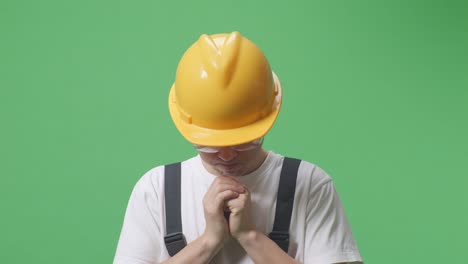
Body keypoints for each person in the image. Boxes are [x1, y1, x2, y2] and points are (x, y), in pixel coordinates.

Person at [114, 32, 363, 264]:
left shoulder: (309, 185)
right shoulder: (156, 190)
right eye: (210, 144)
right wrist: (208, 241)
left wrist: (250, 236)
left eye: (244, 141)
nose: (226, 155)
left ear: (266, 124)